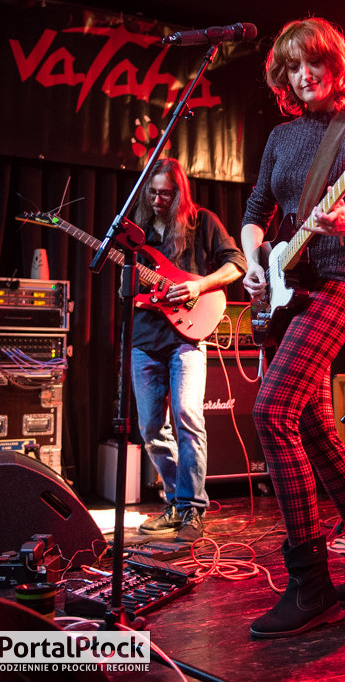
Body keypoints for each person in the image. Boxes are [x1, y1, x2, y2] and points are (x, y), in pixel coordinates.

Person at [241, 17, 345, 638]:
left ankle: (310, 584)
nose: (305, 75)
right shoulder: (280, 136)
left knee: (272, 410)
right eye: (292, 67)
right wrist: (254, 261)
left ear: (336, 68)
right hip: (290, 285)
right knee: (312, 423)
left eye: (315, 63)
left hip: (342, 278)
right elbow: (256, 210)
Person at [132, 158, 246, 542]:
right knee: (151, 429)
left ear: (179, 192)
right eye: (152, 193)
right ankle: (176, 503)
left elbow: (236, 264)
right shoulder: (138, 233)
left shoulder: (202, 222)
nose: (158, 200)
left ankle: (193, 508)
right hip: (145, 338)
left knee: (187, 416)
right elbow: (127, 290)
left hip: (188, 338)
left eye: (166, 193)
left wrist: (199, 286)